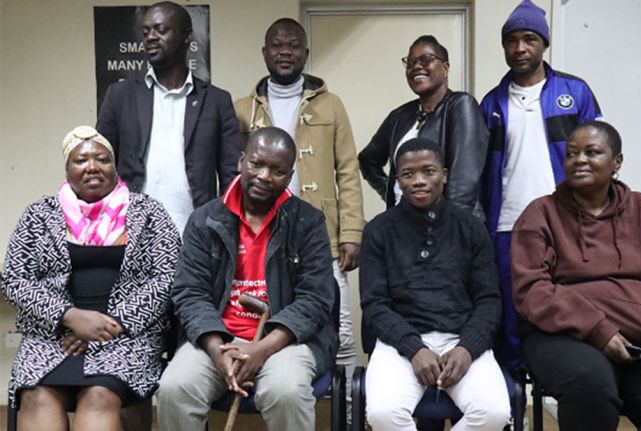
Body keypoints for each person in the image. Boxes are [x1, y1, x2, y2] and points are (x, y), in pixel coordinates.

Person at [156, 127, 338, 431]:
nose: (265, 176)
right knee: (175, 388)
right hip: (216, 339)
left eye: (278, 170)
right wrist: (218, 351)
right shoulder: (204, 220)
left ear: (290, 174)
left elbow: (316, 299)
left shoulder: (308, 222)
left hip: (284, 341)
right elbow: (190, 294)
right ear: (242, 160)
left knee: (286, 392)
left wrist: (262, 349)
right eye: (257, 164)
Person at [1, 126, 180, 431]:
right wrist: (68, 317)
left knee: (99, 395)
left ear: (115, 166)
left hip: (126, 337)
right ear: (67, 169)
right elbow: (14, 280)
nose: (93, 167)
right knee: (37, 396)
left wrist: (108, 325)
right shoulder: (39, 214)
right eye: (81, 160)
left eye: (102, 159)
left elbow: (168, 277)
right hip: (53, 337)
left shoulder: (148, 212)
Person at [234, 18, 364, 417]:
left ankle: (343, 415)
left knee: (339, 330)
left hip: (317, 233)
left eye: (293, 46)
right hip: (259, 233)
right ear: (265, 53)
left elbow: (347, 170)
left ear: (306, 54)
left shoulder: (331, 104)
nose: (285, 52)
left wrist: (352, 230)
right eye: (277, 45)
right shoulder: (241, 109)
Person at [511, 121, 641, 431]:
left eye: (592, 152)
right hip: (564, 333)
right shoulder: (540, 213)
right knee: (590, 387)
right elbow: (531, 290)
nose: (579, 160)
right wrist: (599, 328)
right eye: (571, 154)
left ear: (617, 162)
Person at [479, 0, 602, 368]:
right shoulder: (491, 103)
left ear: (543, 44)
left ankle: (568, 374)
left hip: (565, 220)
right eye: (512, 40)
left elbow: (601, 154)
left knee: (569, 297)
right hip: (507, 223)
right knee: (511, 306)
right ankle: (513, 391)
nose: (520, 48)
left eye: (529, 39)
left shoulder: (574, 92)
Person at [360, 137, 510, 431]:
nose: (418, 181)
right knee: (382, 414)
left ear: (444, 174)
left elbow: (489, 299)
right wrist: (414, 348)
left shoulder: (471, 228)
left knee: (494, 413)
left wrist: (468, 347)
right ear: (398, 181)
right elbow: (375, 303)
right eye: (408, 174)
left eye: (428, 171)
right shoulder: (379, 230)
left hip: (461, 339)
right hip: (400, 343)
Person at [96, 1, 243, 235]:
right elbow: (101, 164)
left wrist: (227, 230)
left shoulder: (216, 101)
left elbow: (231, 177)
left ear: (187, 36)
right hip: (132, 233)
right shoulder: (119, 96)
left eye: (161, 30)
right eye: (145, 32)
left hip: (197, 235)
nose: (151, 37)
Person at [358, 35, 488, 220]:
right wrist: (394, 190)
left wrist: (449, 230)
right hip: (404, 226)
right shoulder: (399, 116)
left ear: (445, 68)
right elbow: (368, 160)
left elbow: (463, 183)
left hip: (449, 226)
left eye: (426, 60)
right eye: (411, 62)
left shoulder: (460, 105)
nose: (417, 67)